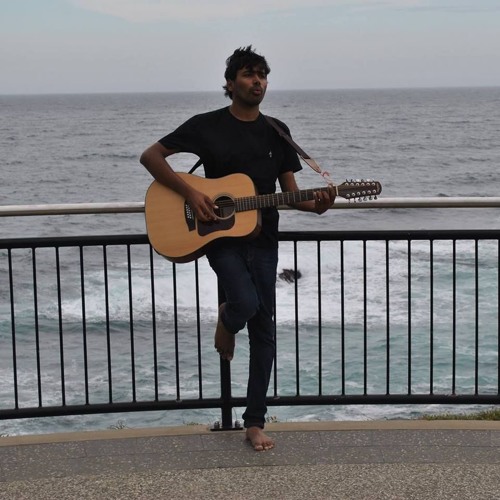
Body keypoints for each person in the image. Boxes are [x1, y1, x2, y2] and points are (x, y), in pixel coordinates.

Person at [140, 46, 335, 451]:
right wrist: (191, 193)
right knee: (244, 303)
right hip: (220, 237)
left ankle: (254, 423)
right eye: (248, 74)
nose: (257, 81)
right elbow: (151, 156)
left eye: (262, 74)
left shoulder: (277, 131)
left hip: (264, 241)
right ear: (230, 84)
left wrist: (318, 206)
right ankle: (228, 319)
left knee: (264, 331)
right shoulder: (206, 125)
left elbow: (291, 193)